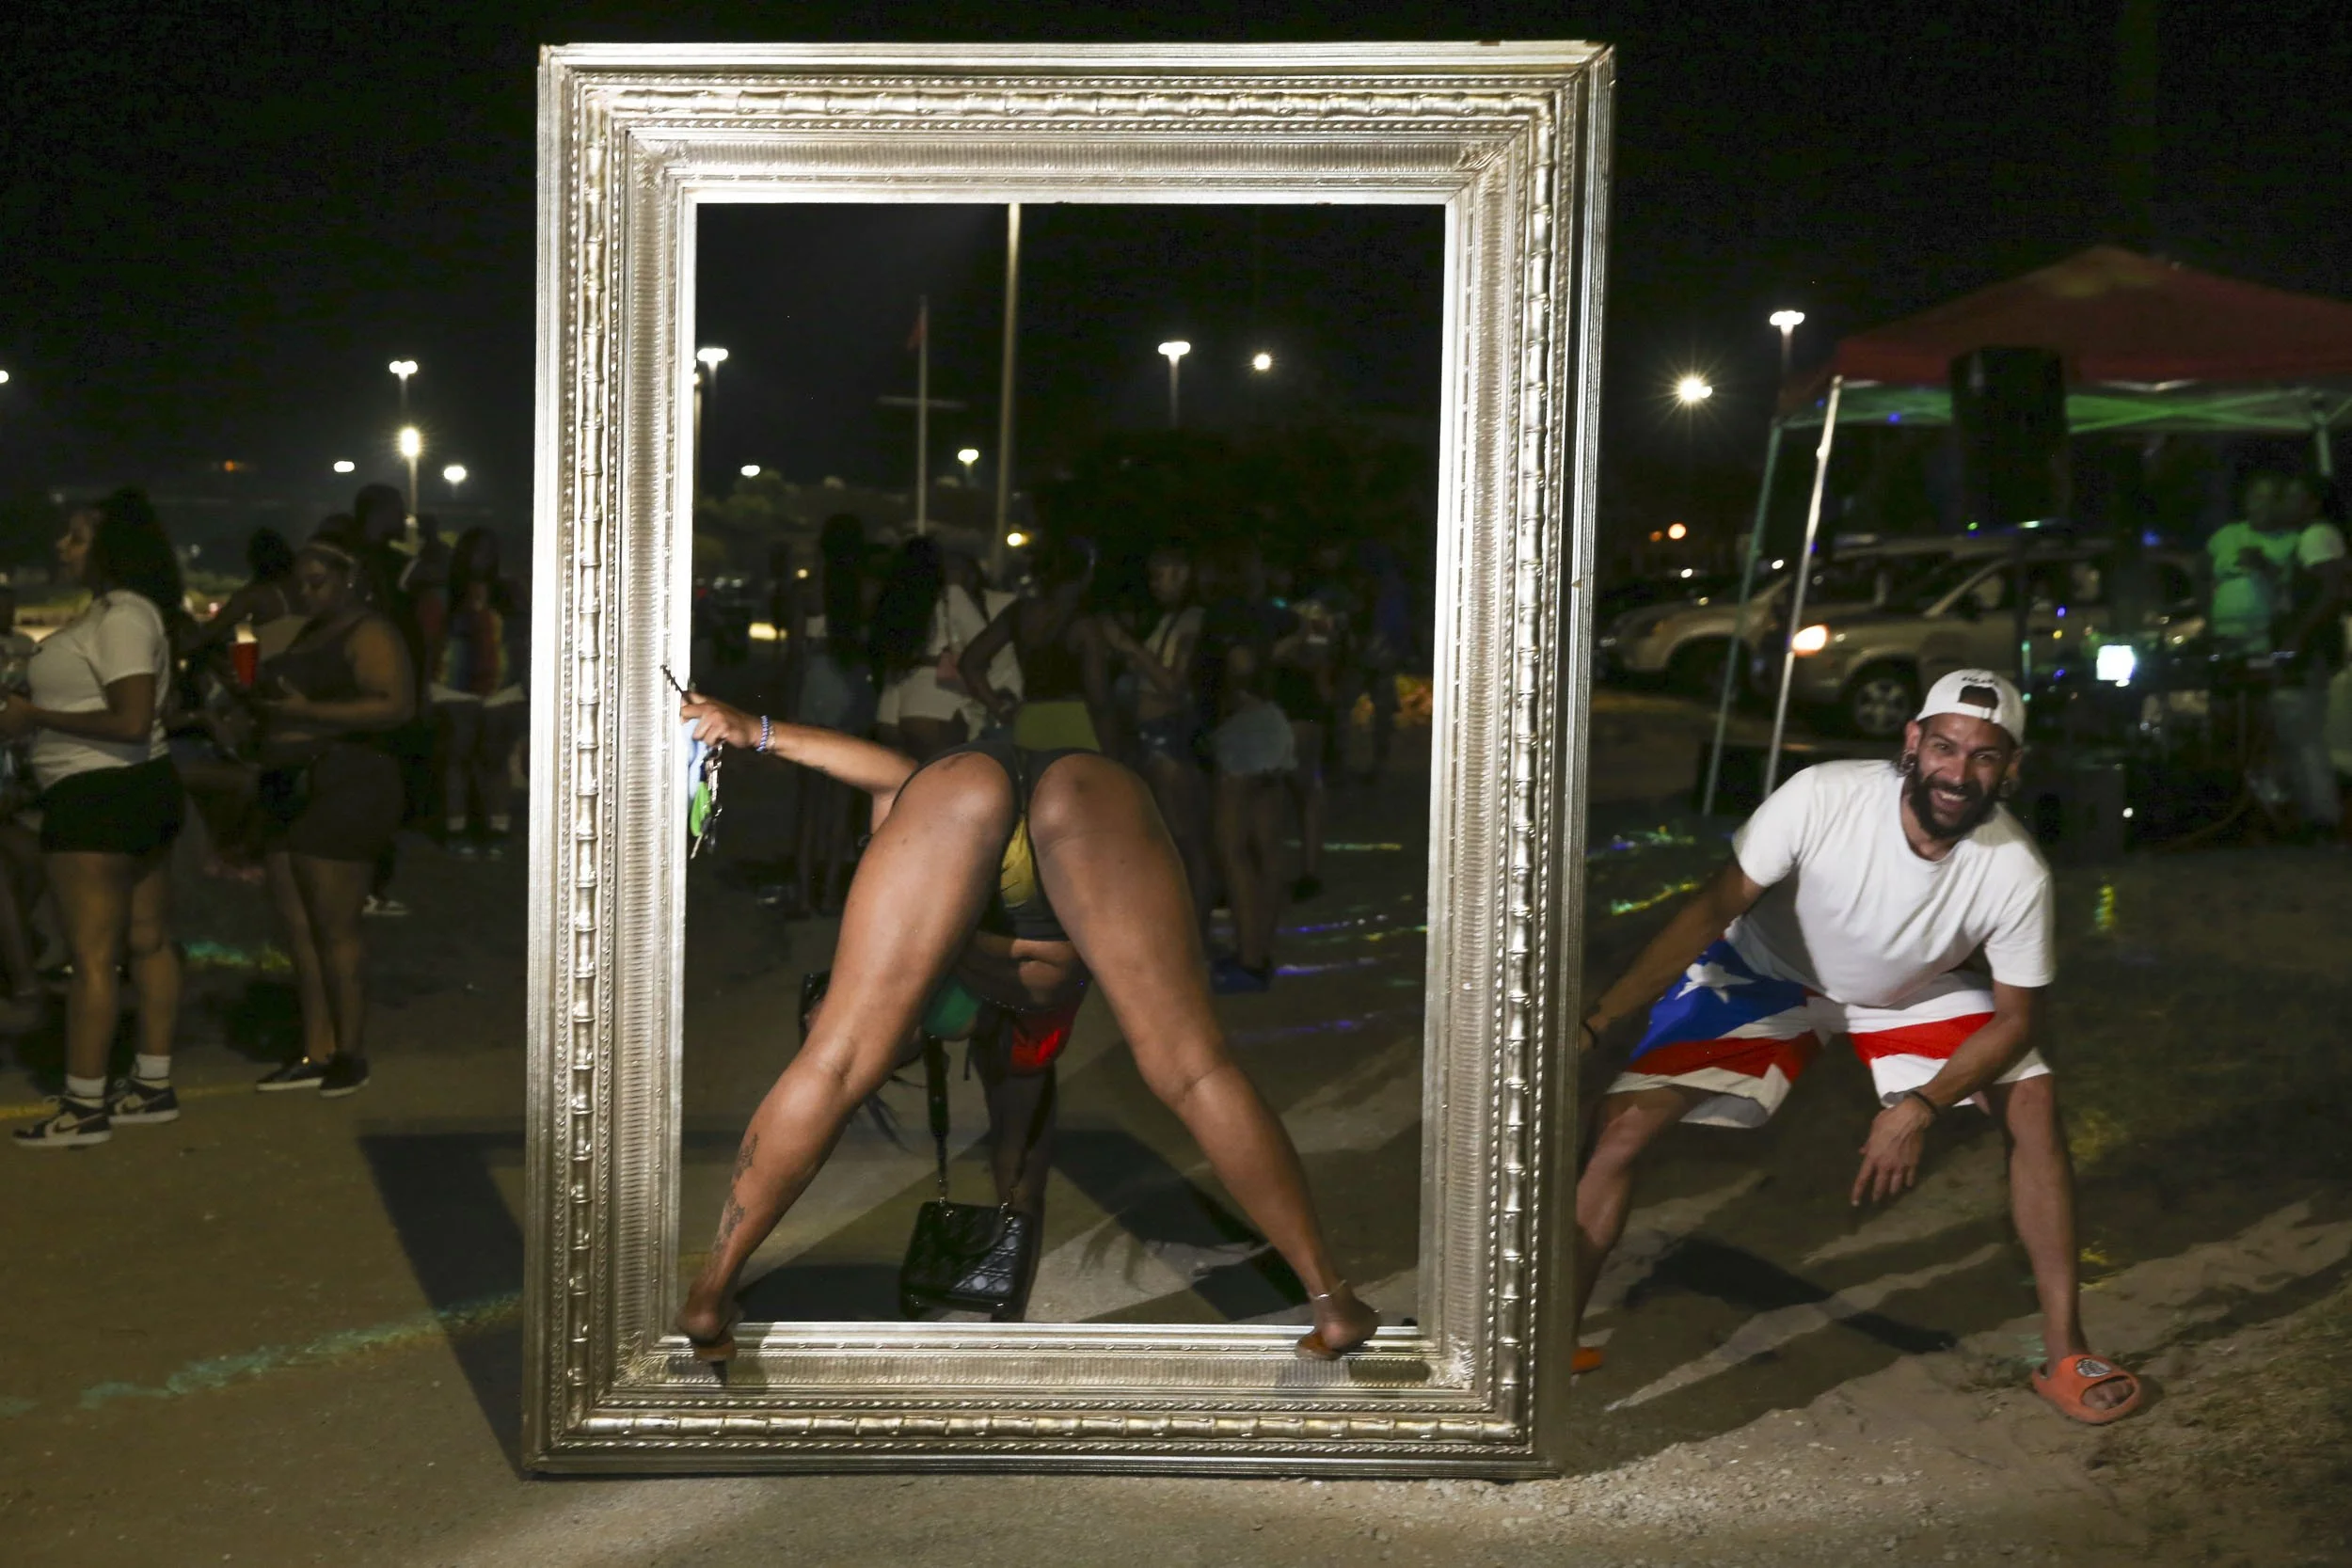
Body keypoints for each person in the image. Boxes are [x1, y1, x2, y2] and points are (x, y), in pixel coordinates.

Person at [670, 689, 1378, 1363]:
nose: (832, 1017)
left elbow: (889, 773)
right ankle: (1335, 1304)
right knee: (1188, 1069)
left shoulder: (901, 935)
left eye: (822, 1005)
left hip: (983, 790)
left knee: (1190, 1068)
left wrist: (754, 729)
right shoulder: (952, 1011)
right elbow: (1019, 1139)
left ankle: (1332, 1297)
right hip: (1074, 794)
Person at [1570, 672, 2141, 1424]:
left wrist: (1920, 1104)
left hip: (1907, 992)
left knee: (2032, 1095)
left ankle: (2067, 1350)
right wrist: (1603, 1016)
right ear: (1912, 740)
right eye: (1944, 746)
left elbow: (2017, 1020)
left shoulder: (2015, 870)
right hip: (1771, 972)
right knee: (1623, 1125)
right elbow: (1714, 907)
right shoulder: (1823, 794)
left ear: (2012, 767)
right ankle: (1555, 1330)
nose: (1958, 772)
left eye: (1983, 756)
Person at [5, 491, 188, 1148]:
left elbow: (132, 718)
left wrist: (35, 718)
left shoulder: (122, 617)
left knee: (93, 956)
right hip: (134, 787)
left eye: (77, 538)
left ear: (111, 548)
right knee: (145, 940)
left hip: (99, 793)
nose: (63, 546)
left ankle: (84, 1103)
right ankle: (150, 1083)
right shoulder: (120, 614)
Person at [247, 534, 417, 1097]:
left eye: (318, 581)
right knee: (297, 927)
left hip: (345, 782)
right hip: (289, 779)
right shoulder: (305, 631)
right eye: (300, 583)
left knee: (335, 925)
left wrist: (306, 712)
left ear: (351, 579)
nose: (306, 592)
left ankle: (350, 1052)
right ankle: (313, 1048)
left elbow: (394, 705)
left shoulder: (368, 631)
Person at [1104, 545, 1213, 926]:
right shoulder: (1170, 620)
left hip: (1167, 733)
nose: (1158, 583)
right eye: (1154, 575)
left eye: (1165, 573)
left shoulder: (1191, 620)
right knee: (1175, 836)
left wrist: (1128, 647)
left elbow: (1171, 684)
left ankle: (1194, 931)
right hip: (1154, 732)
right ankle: (1187, 928)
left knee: (1184, 838)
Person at [781, 515, 878, 916]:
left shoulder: (808, 591)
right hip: (852, 682)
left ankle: (804, 892)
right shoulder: (868, 591)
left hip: (815, 685)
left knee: (809, 802)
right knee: (841, 798)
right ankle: (831, 892)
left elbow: (794, 654)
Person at [960, 535, 1117, 752]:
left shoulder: (1018, 613)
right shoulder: (1084, 625)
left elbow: (970, 663)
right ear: (1085, 576)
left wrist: (998, 707)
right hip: (1076, 724)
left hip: (1029, 722)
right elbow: (1099, 698)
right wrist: (1112, 752)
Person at [350, 483, 427, 917]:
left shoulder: (354, 560)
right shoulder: (386, 565)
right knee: (379, 797)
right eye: (399, 510)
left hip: (369, 687)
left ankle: (362, 886)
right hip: (385, 689)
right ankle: (367, 887)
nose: (406, 519)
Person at [429, 528, 529, 857]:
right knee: (458, 757)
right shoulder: (445, 595)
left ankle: (496, 826)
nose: (482, 558)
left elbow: (521, 636)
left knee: (495, 757)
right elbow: (431, 641)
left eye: (489, 551)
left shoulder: (508, 592)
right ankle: (457, 827)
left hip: (501, 685)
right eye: (476, 551)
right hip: (453, 684)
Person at [2264, 472, 2348, 835]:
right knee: (2298, 729)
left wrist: (2298, 635)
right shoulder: (2312, 538)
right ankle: (2313, 812)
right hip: (2306, 647)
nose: (2283, 504)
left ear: (2312, 503)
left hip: (2309, 650)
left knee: (2304, 732)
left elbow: (2331, 589)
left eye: (2292, 496)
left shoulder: (2316, 536)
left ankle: (2322, 817)